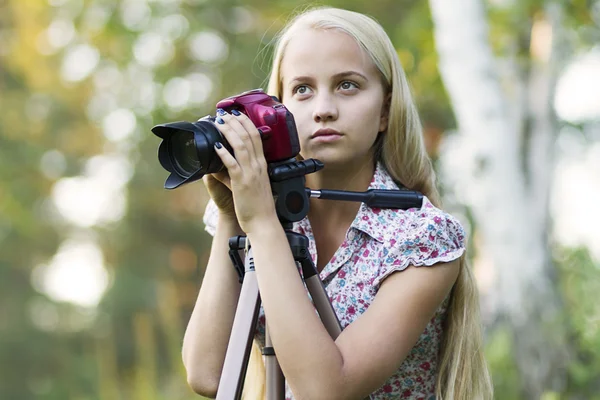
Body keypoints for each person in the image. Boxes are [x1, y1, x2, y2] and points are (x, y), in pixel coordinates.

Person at [182, 6, 493, 400]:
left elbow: (327, 389)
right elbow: (209, 374)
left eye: (347, 85)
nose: (323, 108)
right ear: (277, 113)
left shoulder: (424, 238)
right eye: (302, 89)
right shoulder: (257, 211)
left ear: (384, 110)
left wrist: (261, 225)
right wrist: (232, 214)